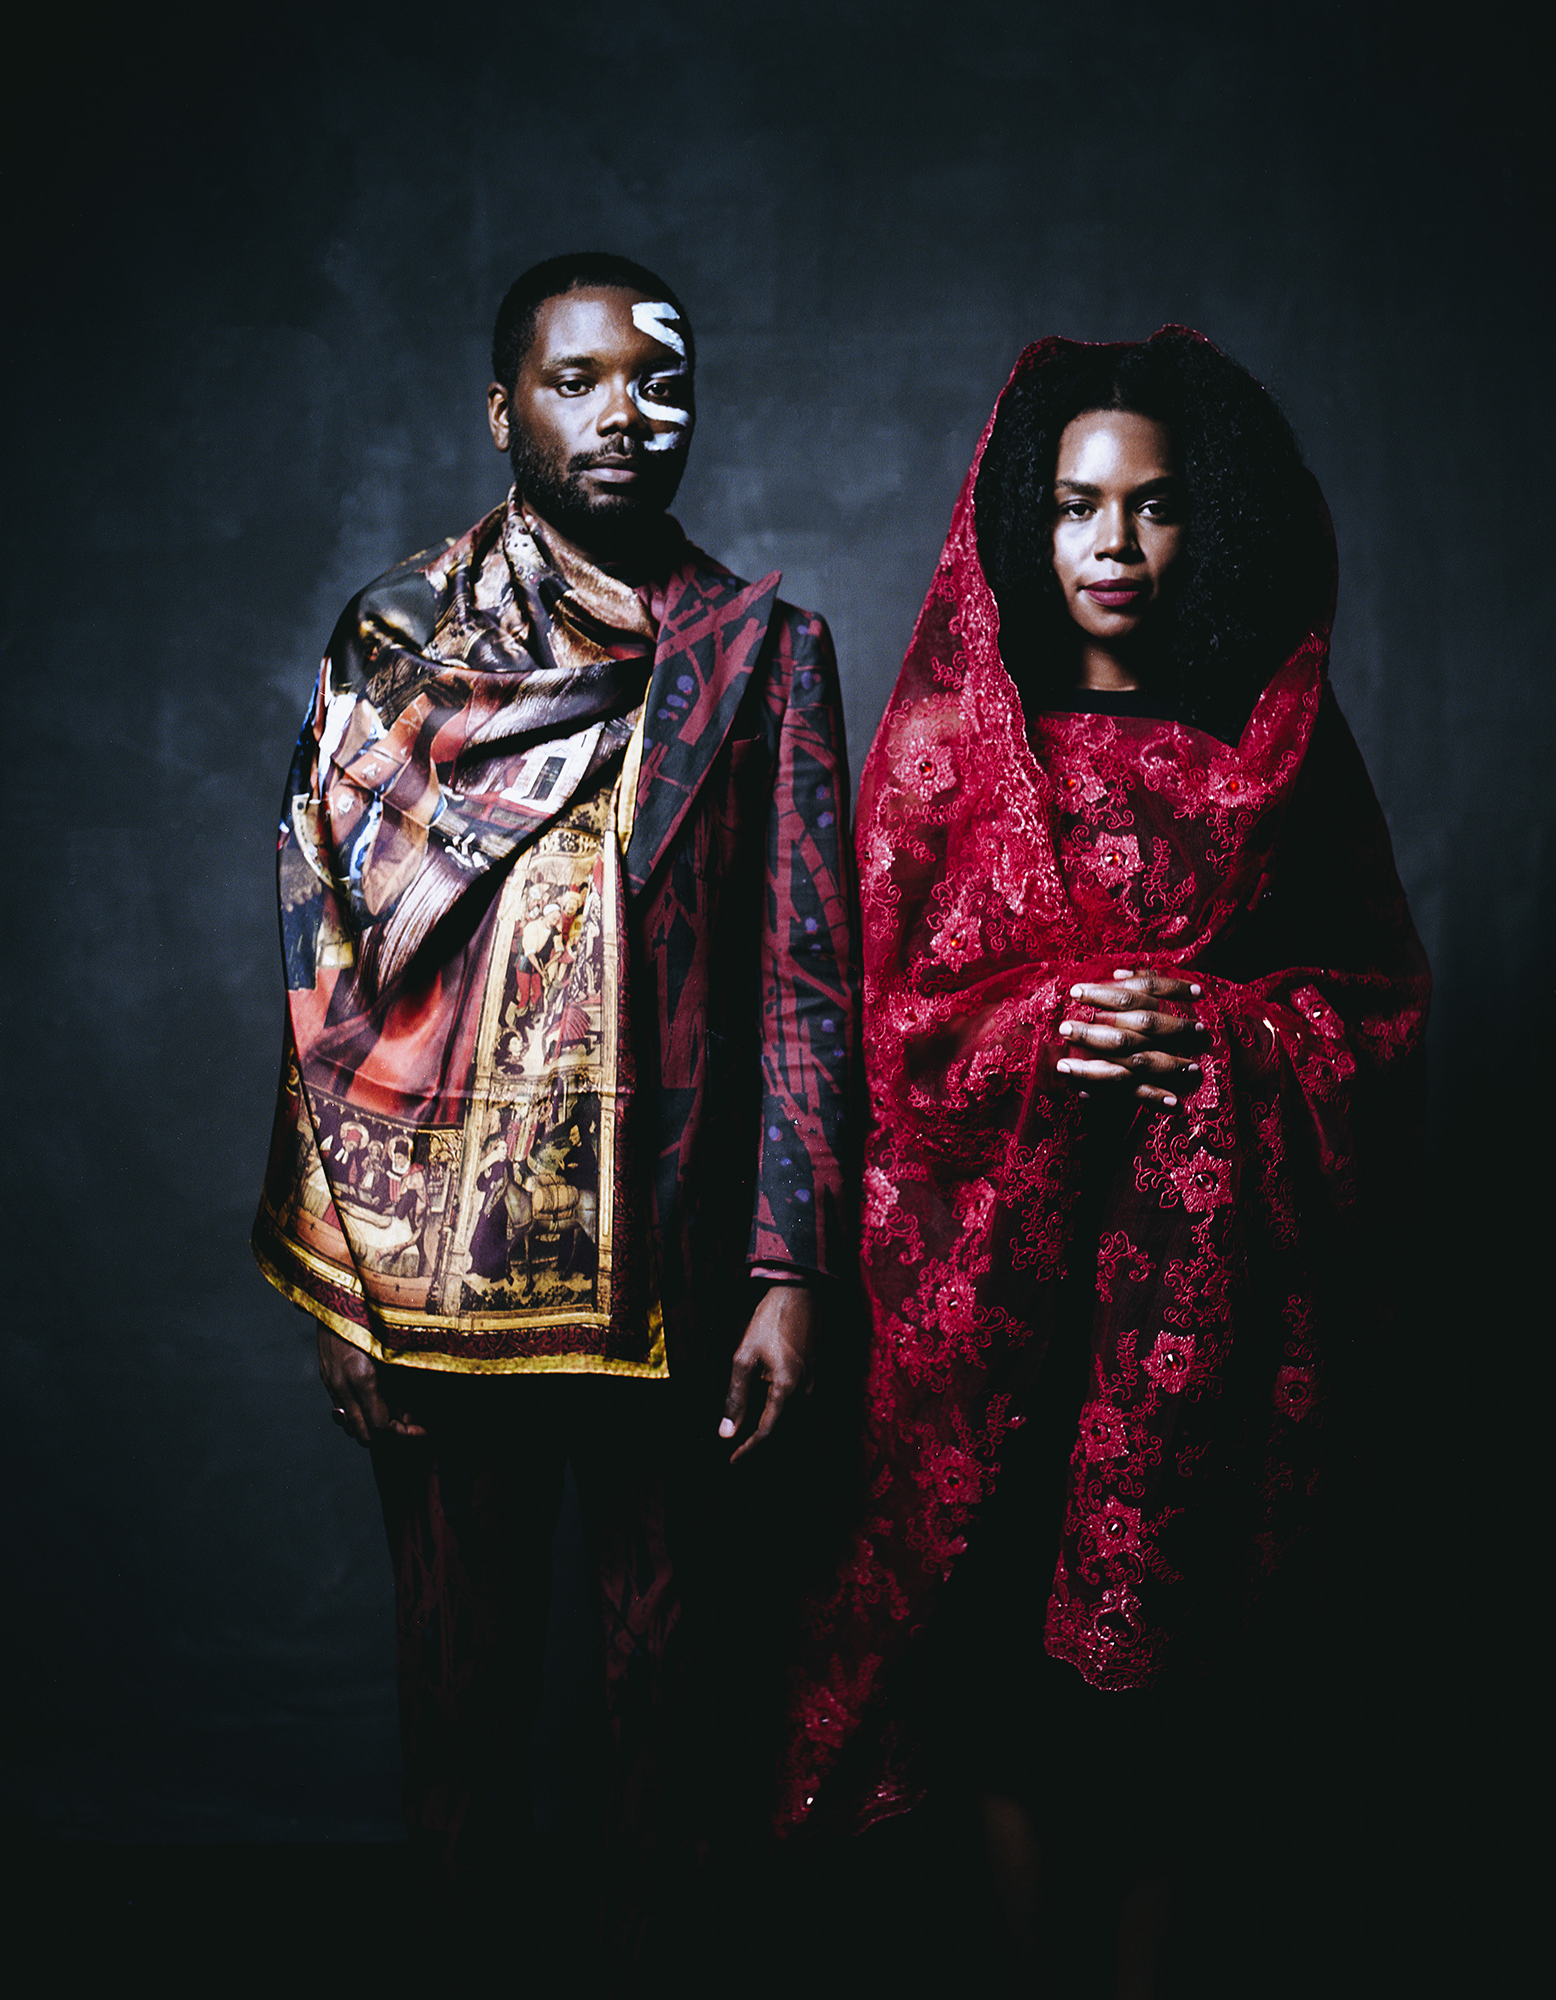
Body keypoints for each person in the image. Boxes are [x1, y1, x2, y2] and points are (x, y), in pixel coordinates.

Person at [780, 328, 1429, 1991]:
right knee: (1003, 1686)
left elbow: (1373, 1013)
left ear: (1205, 524)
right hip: (1006, 1319)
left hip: (1200, 1334)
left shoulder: (1278, 750)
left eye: (1151, 507)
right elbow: (889, 1021)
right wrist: (1049, 1027)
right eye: (1077, 507)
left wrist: (1219, 1034)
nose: (1113, 545)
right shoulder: (950, 751)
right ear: (1030, 520)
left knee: (1169, 1706)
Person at [250, 253, 859, 1943]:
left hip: (676, 1269)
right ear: (501, 410)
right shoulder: (399, 645)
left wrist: (792, 1267)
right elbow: (321, 973)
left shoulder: (761, 654)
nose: (622, 415)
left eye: (656, 381)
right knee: (459, 1702)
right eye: (576, 381)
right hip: (432, 1277)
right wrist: (341, 1283)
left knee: (678, 1711)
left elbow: (807, 979)